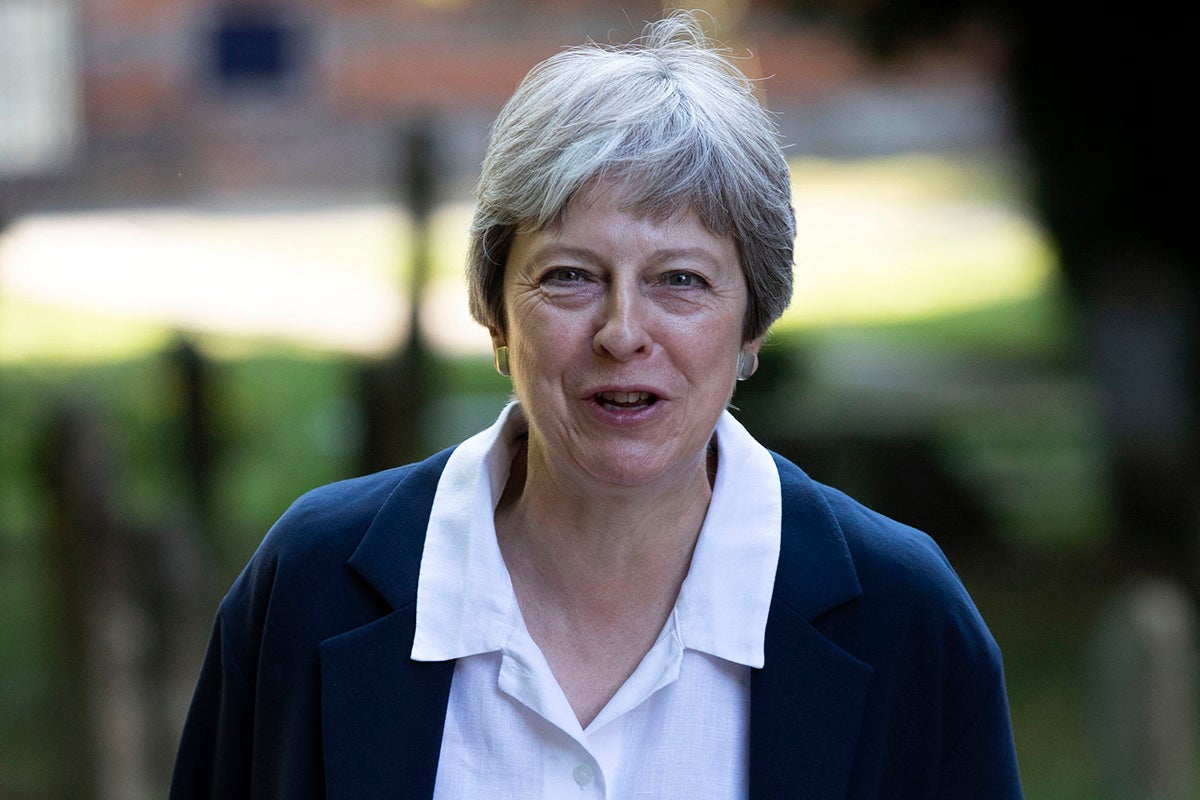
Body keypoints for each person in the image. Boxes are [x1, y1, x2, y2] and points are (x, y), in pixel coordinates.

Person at [170, 11, 1022, 799]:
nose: (622, 332)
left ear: (753, 323)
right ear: (495, 314)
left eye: (679, 279)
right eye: (571, 276)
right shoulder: (310, 588)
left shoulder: (904, 618)